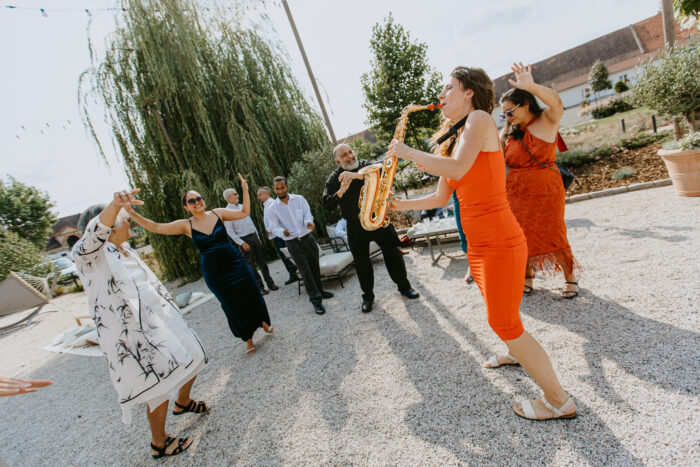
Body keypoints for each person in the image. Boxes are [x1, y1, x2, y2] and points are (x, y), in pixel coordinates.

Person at [388, 65, 576, 421]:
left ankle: (559, 401)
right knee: (502, 315)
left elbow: (457, 169)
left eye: (448, 88)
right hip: (479, 246)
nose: (441, 96)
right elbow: (443, 195)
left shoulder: (478, 120)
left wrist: (407, 152)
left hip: (500, 241)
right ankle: (512, 352)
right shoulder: (458, 134)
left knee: (503, 321)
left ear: (469, 92)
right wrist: (399, 205)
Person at [72, 191, 209, 459]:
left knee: (196, 355)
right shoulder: (91, 256)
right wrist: (114, 205)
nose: (129, 225)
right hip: (137, 333)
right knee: (158, 386)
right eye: (124, 220)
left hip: (164, 318)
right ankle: (159, 442)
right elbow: (93, 235)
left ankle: (182, 402)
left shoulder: (127, 250)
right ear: (108, 227)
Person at [126, 175, 273, 356]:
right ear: (186, 207)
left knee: (251, 291)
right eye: (192, 200)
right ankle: (247, 338)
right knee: (230, 304)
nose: (197, 202)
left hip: (235, 262)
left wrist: (245, 189)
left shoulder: (218, 213)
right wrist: (132, 213)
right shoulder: (186, 225)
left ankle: (262, 321)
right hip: (215, 272)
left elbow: (244, 212)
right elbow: (156, 227)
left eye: (199, 198)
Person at [499, 62, 580, 298]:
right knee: (520, 234)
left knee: (554, 231)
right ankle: (527, 276)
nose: (507, 117)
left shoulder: (546, 120)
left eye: (510, 111)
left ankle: (570, 277)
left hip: (546, 190)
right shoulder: (508, 133)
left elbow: (556, 102)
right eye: (504, 114)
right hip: (516, 194)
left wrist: (532, 86)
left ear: (525, 104)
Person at [323, 144, 420, 313]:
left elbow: (383, 170)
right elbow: (327, 204)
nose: (349, 156)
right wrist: (341, 191)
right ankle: (368, 297)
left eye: (350, 152)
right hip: (355, 225)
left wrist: (356, 176)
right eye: (344, 155)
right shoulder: (334, 178)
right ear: (337, 160)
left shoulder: (366, 165)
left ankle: (404, 287)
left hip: (379, 219)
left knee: (393, 255)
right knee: (361, 264)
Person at [266, 176, 333, 315]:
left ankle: (320, 291)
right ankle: (316, 301)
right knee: (305, 272)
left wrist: (309, 222)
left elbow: (307, 214)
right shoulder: (272, 208)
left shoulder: (299, 199)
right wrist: (281, 231)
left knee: (314, 267)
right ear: (274, 189)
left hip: (308, 238)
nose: (280, 190)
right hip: (292, 243)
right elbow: (273, 227)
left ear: (287, 186)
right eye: (277, 188)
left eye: (282, 187)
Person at [223, 187, 278, 295]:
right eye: (235, 194)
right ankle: (260, 287)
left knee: (263, 263)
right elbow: (230, 231)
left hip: (253, 236)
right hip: (243, 240)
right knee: (251, 266)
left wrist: (257, 237)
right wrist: (242, 243)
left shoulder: (242, 206)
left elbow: (250, 223)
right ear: (229, 198)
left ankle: (270, 283)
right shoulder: (226, 212)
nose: (238, 196)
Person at [257, 186, 300, 285]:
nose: (258, 197)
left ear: (266, 194)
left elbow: (277, 220)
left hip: (279, 235)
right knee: (284, 254)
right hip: (276, 234)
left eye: (260, 194)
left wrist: (270, 230)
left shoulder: (271, 204)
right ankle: (293, 272)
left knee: (285, 254)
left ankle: (294, 273)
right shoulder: (267, 204)